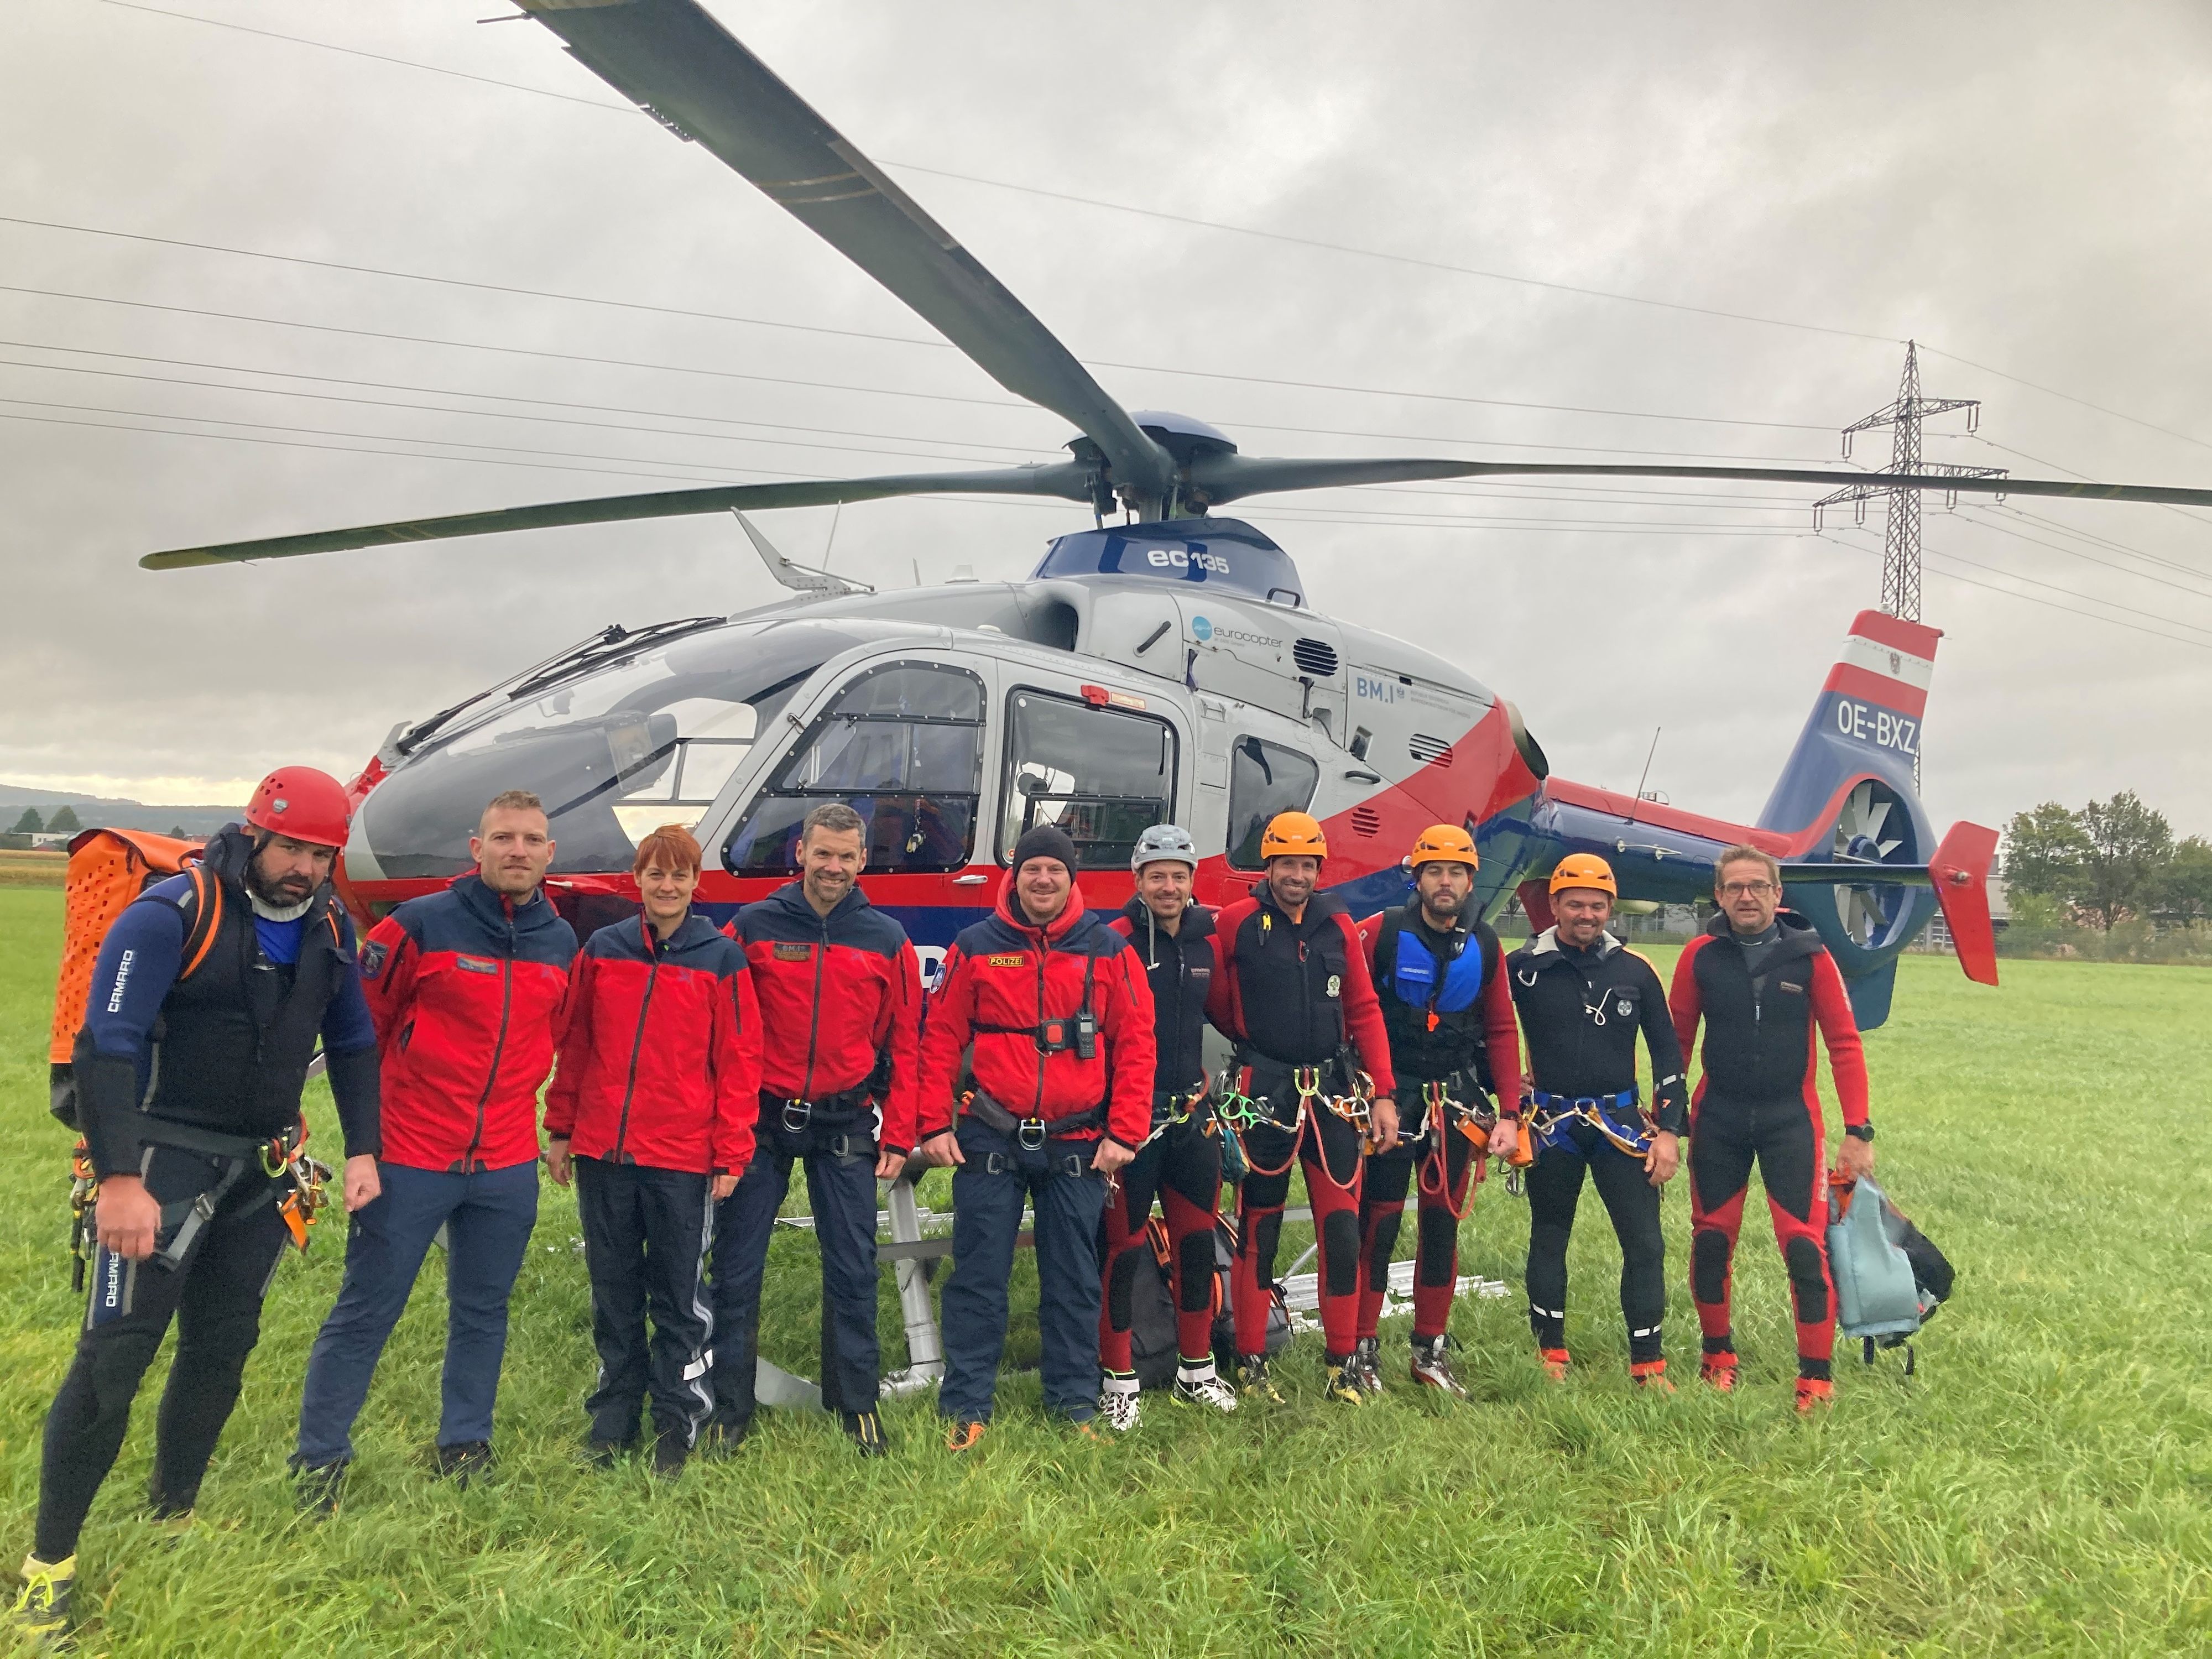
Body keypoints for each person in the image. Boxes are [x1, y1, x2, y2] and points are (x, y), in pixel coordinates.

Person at [9, 769, 377, 1646]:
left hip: (261, 1170)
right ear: (253, 836)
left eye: (321, 853)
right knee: (113, 1363)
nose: (304, 867)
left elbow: (355, 1040)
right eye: (290, 848)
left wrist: (363, 1148)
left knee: (221, 1349)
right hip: (158, 1162)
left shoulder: (330, 928)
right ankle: (47, 1568)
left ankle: (173, 1510)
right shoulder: (172, 914)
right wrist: (120, 1181)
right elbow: (107, 1045)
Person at [293, 790, 577, 1504]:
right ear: (476, 849)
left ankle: (465, 1444)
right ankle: (320, 1458)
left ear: (550, 854)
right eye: (503, 837)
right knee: (368, 1308)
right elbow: (361, 1036)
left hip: (505, 1162)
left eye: (531, 840)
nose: (518, 850)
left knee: (483, 1310)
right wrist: (365, 1144)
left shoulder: (560, 942)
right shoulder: (418, 926)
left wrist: (557, 1129)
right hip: (411, 1154)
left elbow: (560, 1040)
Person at [916, 823, 1153, 1449]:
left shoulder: (1108, 950)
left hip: (1079, 1140)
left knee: (1074, 1280)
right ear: (1014, 877)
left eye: (1054, 870)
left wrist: (1125, 1131)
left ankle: (1074, 1405)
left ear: (1072, 879)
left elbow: (1136, 1042)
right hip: (991, 1135)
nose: (1043, 880)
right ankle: (966, 1404)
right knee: (978, 1276)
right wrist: (933, 1122)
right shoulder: (975, 946)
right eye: (1031, 870)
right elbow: (939, 1037)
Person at [544, 824, 758, 1478]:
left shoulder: (722, 959)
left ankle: (677, 1419)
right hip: (604, 1152)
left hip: (681, 1158)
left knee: (678, 1299)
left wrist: (731, 1151)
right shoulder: (603, 950)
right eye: (656, 874)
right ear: (636, 880)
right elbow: (576, 1045)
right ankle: (613, 1417)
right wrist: (561, 1128)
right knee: (613, 1294)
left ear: (696, 883)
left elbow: (739, 1060)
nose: (667, 886)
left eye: (679, 875)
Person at [715, 802, 923, 1458]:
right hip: (762, 1119)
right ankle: (728, 1408)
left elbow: (906, 1041)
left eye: (846, 856)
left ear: (863, 860)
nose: (833, 867)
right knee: (736, 1267)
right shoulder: (752, 926)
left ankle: (856, 1405)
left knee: (853, 1268)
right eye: (823, 853)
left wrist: (900, 1133)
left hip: (845, 1120)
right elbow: (720, 1022)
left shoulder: (886, 939)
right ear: (800, 852)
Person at [1670, 843, 1875, 1412]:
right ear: (1719, 896)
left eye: (1758, 886)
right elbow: (1677, 1041)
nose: (1746, 896)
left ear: (1777, 894)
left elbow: (1844, 1044)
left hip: (1792, 1121)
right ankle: (1717, 1357)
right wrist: (1667, 1118)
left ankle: (1815, 1376)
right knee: (1712, 1240)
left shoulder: (1811, 956)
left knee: (1805, 1248)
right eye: (1734, 887)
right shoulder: (1700, 957)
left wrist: (1857, 1131)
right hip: (1719, 1118)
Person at [1206, 811, 1397, 1406]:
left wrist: (1383, 1092)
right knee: (1258, 1230)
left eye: (1307, 865)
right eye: (1287, 864)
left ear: (1319, 869)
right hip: (1266, 1091)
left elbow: (1363, 1008)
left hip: (1333, 1092)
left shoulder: (1336, 925)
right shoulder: (1236, 922)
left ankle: (1342, 1362)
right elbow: (1217, 1001)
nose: (1297, 875)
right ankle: (1252, 1360)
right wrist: (1257, 1049)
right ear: (1269, 866)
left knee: (1341, 1229)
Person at [1505, 853, 1687, 1389]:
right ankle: (1551, 1353)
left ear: (1610, 908)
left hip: (1620, 1125)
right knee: (1549, 1236)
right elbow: (1485, 1030)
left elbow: (1668, 1055)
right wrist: (1505, 1088)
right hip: (1552, 1123)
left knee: (1645, 1243)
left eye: (1597, 905)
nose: (1586, 914)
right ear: (1554, 905)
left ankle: (1648, 1363)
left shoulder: (1635, 970)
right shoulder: (1522, 967)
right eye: (1575, 904)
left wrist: (1671, 1132)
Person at [1355, 826, 1522, 1397]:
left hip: (1452, 1102)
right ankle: (1362, 1348)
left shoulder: (1486, 944)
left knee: (1441, 1225)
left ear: (1471, 882)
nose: (1444, 882)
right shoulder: (1382, 932)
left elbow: (1500, 1029)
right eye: (1434, 872)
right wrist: (1368, 1089)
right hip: (1390, 1100)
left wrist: (1509, 1113)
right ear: (1417, 879)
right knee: (1376, 1224)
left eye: (1455, 873)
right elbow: (1351, 1010)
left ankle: (1429, 1350)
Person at [1097, 825, 1239, 1427]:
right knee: (1123, 1250)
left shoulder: (1207, 942)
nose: (1168, 887)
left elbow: (1230, 1014)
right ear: (1138, 880)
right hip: (1131, 1119)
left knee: (1195, 1243)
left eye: (1178, 876)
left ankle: (1196, 1369)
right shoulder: (1115, 940)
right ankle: (1118, 1378)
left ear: (1192, 880)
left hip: (1190, 1114)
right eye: (1156, 876)